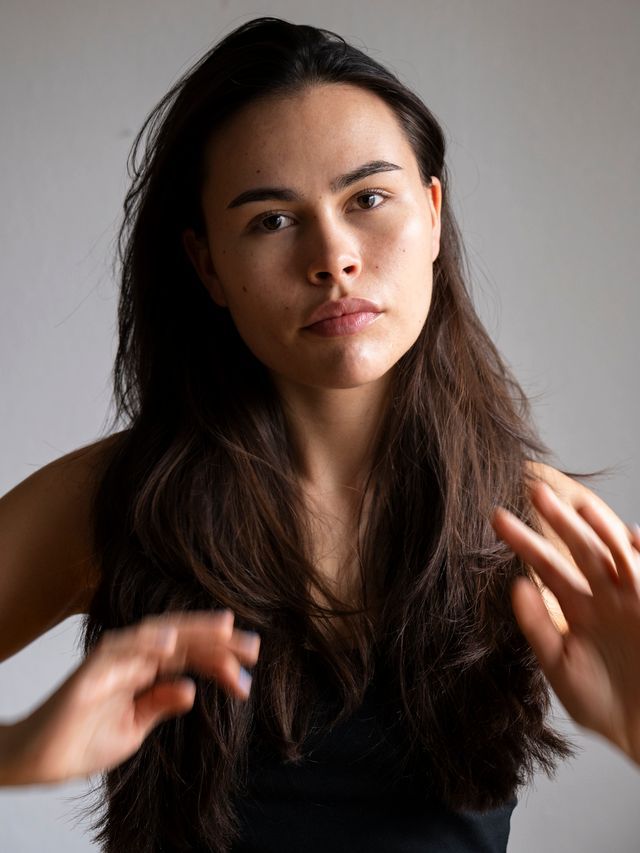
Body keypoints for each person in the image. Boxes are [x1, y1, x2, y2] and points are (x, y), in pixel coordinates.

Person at [0, 16, 638, 852]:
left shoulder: (538, 526)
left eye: (368, 199)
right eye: (271, 220)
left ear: (433, 214)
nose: (332, 257)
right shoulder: (114, 502)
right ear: (207, 265)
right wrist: (13, 752)